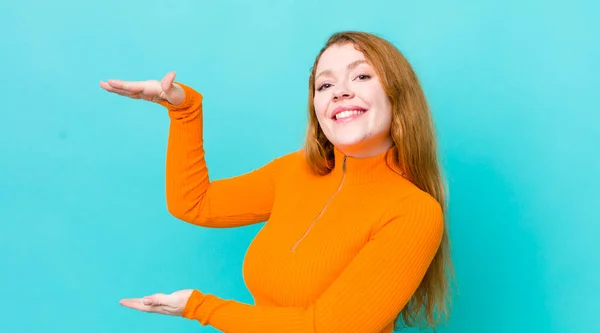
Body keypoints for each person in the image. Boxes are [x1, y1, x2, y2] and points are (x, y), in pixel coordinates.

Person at [100, 31, 453, 333]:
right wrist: (184, 110)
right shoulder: (295, 171)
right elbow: (194, 203)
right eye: (325, 84)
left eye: (361, 77)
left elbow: (325, 329)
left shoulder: (414, 212)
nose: (339, 92)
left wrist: (200, 307)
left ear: (397, 93)